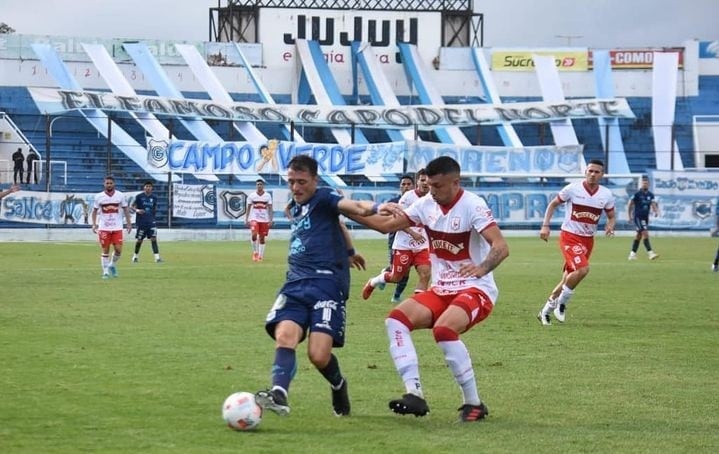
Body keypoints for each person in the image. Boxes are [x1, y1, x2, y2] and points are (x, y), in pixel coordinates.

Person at [348, 156, 509, 422]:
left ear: (455, 183)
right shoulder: (426, 205)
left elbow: (501, 247)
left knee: (444, 330)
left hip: (475, 288)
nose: (431, 191)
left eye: (437, 186)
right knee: (395, 321)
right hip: (442, 288)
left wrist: (481, 269)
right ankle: (414, 394)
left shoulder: (473, 205)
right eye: (429, 185)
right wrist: (342, 209)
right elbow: (385, 226)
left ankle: (474, 404)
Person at [254, 155, 384, 418]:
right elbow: (336, 225)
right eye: (291, 182)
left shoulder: (325, 196)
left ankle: (338, 384)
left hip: (327, 284)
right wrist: (349, 250)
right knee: (285, 336)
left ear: (315, 180)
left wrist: (378, 207)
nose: (296, 187)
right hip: (295, 283)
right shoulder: (297, 205)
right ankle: (279, 393)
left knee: (318, 355)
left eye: (301, 182)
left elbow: (354, 207)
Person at [537, 159, 616, 325]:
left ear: (602, 175)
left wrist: (610, 226)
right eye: (590, 171)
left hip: (588, 240)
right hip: (570, 236)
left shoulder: (606, 194)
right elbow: (553, 204)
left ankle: (545, 311)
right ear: (585, 172)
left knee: (568, 277)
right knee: (583, 269)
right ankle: (562, 304)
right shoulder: (572, 189)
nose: (593, 174)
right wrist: (545, 226)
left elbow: (611, 216)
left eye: (597, 172)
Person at [362, 170, 431, 302]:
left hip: (423, 244)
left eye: (428, 180)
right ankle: (373, 281)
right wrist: (413, 233)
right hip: (404, 244)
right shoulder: (407, 198)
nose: (425, 183)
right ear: (417, 182)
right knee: (396, 277)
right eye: (422, 180)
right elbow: (398, 220)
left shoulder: (434, 198)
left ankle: (417, 306)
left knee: (425, 274)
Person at [91, 175, 132, 279]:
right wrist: (94, 224)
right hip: (104, 227)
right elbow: (94, 211)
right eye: (107, 183)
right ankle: (105, 272)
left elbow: (126, 209)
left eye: (111, 183)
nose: (109, 185)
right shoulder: (98, 197)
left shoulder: (120, 195)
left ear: (114, 184)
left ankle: (112, 265)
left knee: (118, 250)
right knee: (105, 250)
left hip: (117, 227)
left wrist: (128, 223)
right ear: (104, 184)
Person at [385, 175, 414, 303]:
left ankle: (396, 296)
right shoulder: (393, 203)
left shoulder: (418, 201)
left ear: (413, 186)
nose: (406, 187)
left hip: (416, 242)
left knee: (407, 269)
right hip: (396, 240)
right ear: (400, 186)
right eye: (403, 184)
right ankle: (383, 275)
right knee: (396, 269)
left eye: (409, 184)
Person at [627, 177, 659, 260]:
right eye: (643, 183)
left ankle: (632, 254)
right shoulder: (637, 194)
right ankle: (650, 253)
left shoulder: (650, 195)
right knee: (645, 233)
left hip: (645, 217)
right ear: (641, 184)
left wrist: (656, 211)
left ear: (649, 184)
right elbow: (630, 204)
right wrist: (629, 216)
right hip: (638, 217)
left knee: (639, 235)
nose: (645, 184)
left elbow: (653, 204)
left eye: (646, 183)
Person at [131, 181, 163, 263]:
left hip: (151, 222)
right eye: (146, 186)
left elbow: (154, 209)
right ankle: (135, 256)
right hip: (141, 222)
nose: (148, 188)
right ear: (144, 187)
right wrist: (137, 210)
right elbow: (132, 207)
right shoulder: (139, 197)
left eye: (149, 186)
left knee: (153, 238)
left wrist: (153, 218)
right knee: (139, 240)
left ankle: (157, 258)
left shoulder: (154, 198)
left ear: (152, 188)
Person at [245, 179, 273, 261]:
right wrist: (246, 219)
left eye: (260, 184)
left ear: (263, 185)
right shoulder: (252, 196)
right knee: (254, 234)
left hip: (264, 219)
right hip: (254, 218)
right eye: (257, 184)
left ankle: (260, 256)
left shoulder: (267, 196)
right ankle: (255, 252)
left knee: (262, 238)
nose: (259, 186)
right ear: (256, 185)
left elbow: (270, 208)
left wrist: (271, 219)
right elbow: (248, 207)